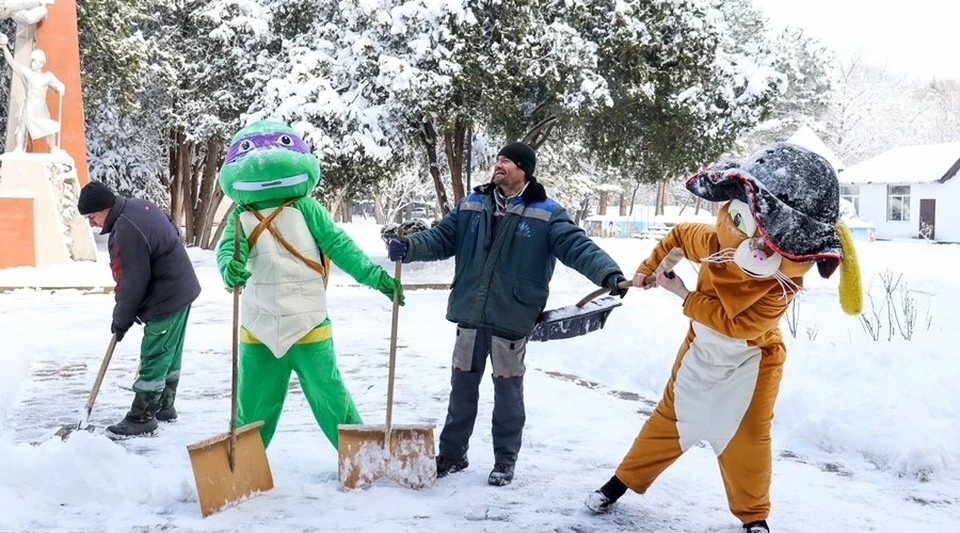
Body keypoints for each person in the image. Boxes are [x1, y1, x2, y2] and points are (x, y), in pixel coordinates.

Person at [584, 143, 863, 533]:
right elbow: (678, 238)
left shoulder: (782, 287)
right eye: (746, 225)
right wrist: (649, 271)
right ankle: (617, 485)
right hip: (699, 355)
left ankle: (754, 518)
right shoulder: (716, 243)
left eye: (775, 243)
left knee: (748, 443)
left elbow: (738, 326)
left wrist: (682, 294)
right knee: (667, 423)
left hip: (752, 367)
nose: (757, 249)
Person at [388, 141, 630, 486]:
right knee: (461, 389)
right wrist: (410, 247)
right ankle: (453, 455)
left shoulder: (546, 212)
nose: (498, 164)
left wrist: (609, 274)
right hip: (471, 311)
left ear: (523, 169)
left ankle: (505, 461)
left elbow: (578, 247)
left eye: (507, 161)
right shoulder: (472, 203)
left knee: (507, 393)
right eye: (498, 159)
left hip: (511, 317)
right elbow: (442, 238)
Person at [215, 120, 404, 450]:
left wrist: (376, 278)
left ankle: (360, 454)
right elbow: (231, 249)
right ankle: (243, 463)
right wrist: (229, 268)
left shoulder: (306, 208)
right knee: (253, 404)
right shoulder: (240, 216)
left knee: (331, 397)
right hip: (259, 327)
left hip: (308, 323)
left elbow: (338, 245)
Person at [78, 181, 201, 438]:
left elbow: (131, 281)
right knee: (170, 351)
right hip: (180, 288)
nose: (92, 222)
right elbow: (170, 229)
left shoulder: (126, 229)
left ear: (104, 208)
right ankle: (164, 406)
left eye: (92, 216)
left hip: (167, 296)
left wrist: (120, 320)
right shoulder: (137, 206)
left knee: (155, 353)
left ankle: (142, 416)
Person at [0, 34, 64, 152]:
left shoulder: (47, 77)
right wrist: (4, 48)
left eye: (34, 61)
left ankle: (53, 148)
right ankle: (19, 148)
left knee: (47, 128)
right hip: (29, 106)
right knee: (22, 127)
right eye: (32, 61)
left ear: (40, 63)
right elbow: (13, 64)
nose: (32, 63)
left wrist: (60, 88)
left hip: (40, 108)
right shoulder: (27, 74)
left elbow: (59, 85)